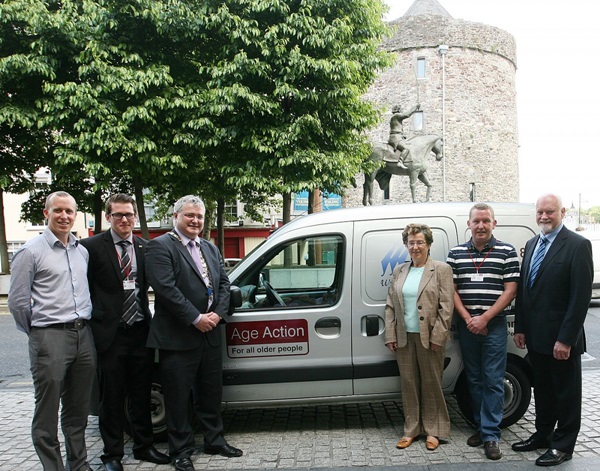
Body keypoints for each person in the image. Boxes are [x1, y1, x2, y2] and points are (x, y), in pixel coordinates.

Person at [145, 195, 242, 471]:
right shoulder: (159, 247)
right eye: (189, 215)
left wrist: (217, 314)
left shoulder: (210, 248)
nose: (195, 221)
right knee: (177, 397)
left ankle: (214, 440)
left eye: (199, 216)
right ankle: (181, 451)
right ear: (175, 216)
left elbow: (224, 283)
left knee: (210, 393)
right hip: (177, 337)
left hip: (210, 334)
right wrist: (195, 317)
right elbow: (166, 289)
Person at [79, 194, 169, 471]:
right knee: (112, 398)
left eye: (129, 214)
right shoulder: (90, 247)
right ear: (108, 217)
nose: (125, 219)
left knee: (140, 394)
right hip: (110, 335)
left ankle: (144, 447)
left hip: (141, 331)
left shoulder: (145, 247)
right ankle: (112, 455)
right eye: (118, 215)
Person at [8, 191, 96, 471]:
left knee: (77, 410)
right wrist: (39, 333)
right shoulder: (31, 251)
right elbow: (18, 302)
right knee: (47, 412)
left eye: (69, 211)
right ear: (46, 213)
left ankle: (79, 465)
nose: (64, 216)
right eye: (58, 210)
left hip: (84, 336)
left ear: (75, 215)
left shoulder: (81, 251)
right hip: (49, 337)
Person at [512, 194, 593, 467]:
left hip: (562, 340)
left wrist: (565, 339)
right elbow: (525, 290)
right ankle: (544, 435)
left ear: (562, 212)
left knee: (566, 395)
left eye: (550, 212)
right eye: (540, 212)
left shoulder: (578, 245)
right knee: (544, 391)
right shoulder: (533, 243)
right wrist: (521, 328)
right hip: (535, 338)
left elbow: (580, 297)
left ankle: (563, 445)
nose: (544, 217)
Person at [446, 203, 520, 461]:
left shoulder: (506, 252)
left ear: (494, 224)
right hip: (468, 326)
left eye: (486, 221)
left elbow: (511, 290)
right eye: (476, 221)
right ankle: (482, 425)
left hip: (495, 325)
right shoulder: (455, 253)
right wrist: (469, 319)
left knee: (493, 379)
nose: (481, 225)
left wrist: (485, 318)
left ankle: (490, 435)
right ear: (469, 224)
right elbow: (451, 290)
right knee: (474, 379)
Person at [385, 224, 454, 451]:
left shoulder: (441, 270)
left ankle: (434, 431)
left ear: (428, 244)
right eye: (411, 242)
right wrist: (390, 334)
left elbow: (446, 307)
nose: (415, 247)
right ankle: (411, 429)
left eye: (419, 242)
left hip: (429, 337)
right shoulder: (399, 271)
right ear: (406, 245)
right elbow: (390, 306)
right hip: (404, 338)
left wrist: (439, 336)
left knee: (431, 383)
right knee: (409, 384)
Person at [387, 103, 420, 169]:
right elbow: (407, 115)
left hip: (398, 136)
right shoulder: (396, 116)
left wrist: (402, 136)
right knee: (406, 148)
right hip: (395, 138)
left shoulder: (396, 118)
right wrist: (415, 107)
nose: (402, 111)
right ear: (398, 110)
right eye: (401, 110)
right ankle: (400, 162)